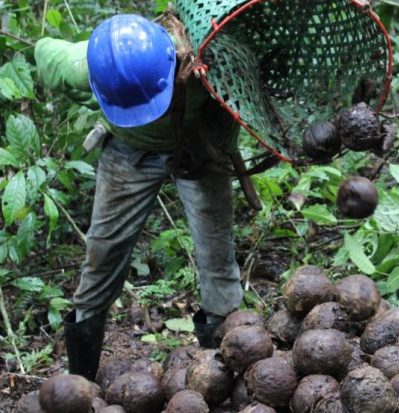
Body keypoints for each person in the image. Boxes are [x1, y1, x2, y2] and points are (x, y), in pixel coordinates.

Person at [35, 14, 244, 381]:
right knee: (102, 253)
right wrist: (88, 98)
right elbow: (42, 50)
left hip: (200, 148)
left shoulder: (210, 60)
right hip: (130, 151)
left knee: (216, 258)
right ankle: (80, 381)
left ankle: (224, 375)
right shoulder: (84, 65)